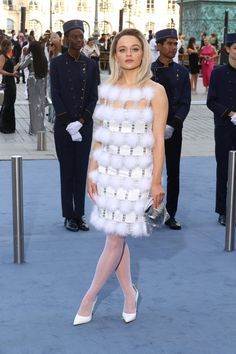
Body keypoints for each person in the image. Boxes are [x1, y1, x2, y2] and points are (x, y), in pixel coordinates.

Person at [72, 28, 168, 326]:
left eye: (135, 49)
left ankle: (89, 298)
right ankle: (129, 293)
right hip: (110, 173)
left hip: (138, 174)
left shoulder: (155, 91)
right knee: (117, 235)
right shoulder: (107, 89)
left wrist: (155, 180)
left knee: (114, 238)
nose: (129, 54)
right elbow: (99, 137)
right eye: (123, 49)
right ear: (114, 54)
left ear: (144, 53)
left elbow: (158, 140)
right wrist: (92, 170)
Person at [50, 19, 98, 232]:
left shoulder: (91, 64)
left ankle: (79, 214)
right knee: (67, 171)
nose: (79, 40)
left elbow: (93, 96)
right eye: (75, 36)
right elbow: (56, 94)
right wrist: (67, 121)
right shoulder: (57, 63)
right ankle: (68, 215)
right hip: (63, 126)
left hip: (84, 125)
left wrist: (81, 121)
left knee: (81, 171)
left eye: (81, 36)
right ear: (66, 38)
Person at [151, 28, 191, 230]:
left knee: (173, 173)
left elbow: (185, 102)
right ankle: (149, 211)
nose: (173, 47)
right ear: (158, 46)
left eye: (175, 44)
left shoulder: (182, 72)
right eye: (168, 43)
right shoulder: (148, 71)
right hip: (151, 130)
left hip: (173, 130)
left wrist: (173, 124)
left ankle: (171, 214)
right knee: (149, 172)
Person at [207, 33, 236, 226]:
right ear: (228, 49)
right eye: (235, 48)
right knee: (224, 169)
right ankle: (223, 210)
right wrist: (230, 114)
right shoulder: (218, 73)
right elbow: (211, 101)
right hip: (225, 127)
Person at [19, 41, 48, 135]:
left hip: (32, 81)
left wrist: (23, 57)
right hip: (42, 81)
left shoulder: (31, 58)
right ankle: (41, 127)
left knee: (33, 105)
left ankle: (33, 129)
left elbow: (22, 67)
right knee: (41, 105)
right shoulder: (44, 58)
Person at [0, 39, 19, 134]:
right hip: (7, 82)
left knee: (10, 102)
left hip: (11, 81)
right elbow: (0, 70)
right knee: (8, 102)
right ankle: (4, 126)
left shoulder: (8, 55)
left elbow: (10, 68)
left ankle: (9, 126)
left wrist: (18, 65)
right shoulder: (2, 56)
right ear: (7, 46)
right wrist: (11, 74)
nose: (12, 47)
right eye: (11, 45)